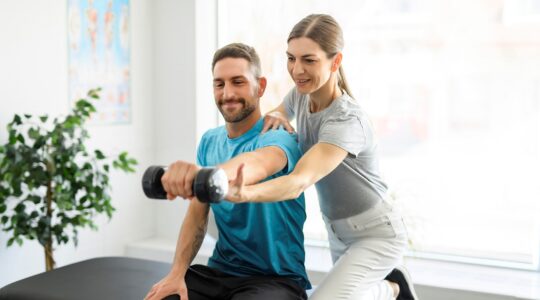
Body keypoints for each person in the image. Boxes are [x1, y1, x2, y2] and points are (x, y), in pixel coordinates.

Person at [226, 14, 418, 300]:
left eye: (309, 60)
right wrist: (277, 116)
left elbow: (299, 180)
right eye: (291, 58)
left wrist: (246, 193)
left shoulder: (346, 120)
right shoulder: (302, 96)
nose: (297, 69)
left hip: (377, 234)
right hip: (338, 231)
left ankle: (392, 288)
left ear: (335, 62)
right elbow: (279, 112)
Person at [144, 43, 310, 300]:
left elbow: (256, 163)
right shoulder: (210, 141)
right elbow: (197, 215)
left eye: (238, 82)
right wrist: (177, 273)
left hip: (276, 281)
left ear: (261, 86)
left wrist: (202, 174)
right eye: (219, 84)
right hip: (220, 273)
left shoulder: (280, 136)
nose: (228, 93)